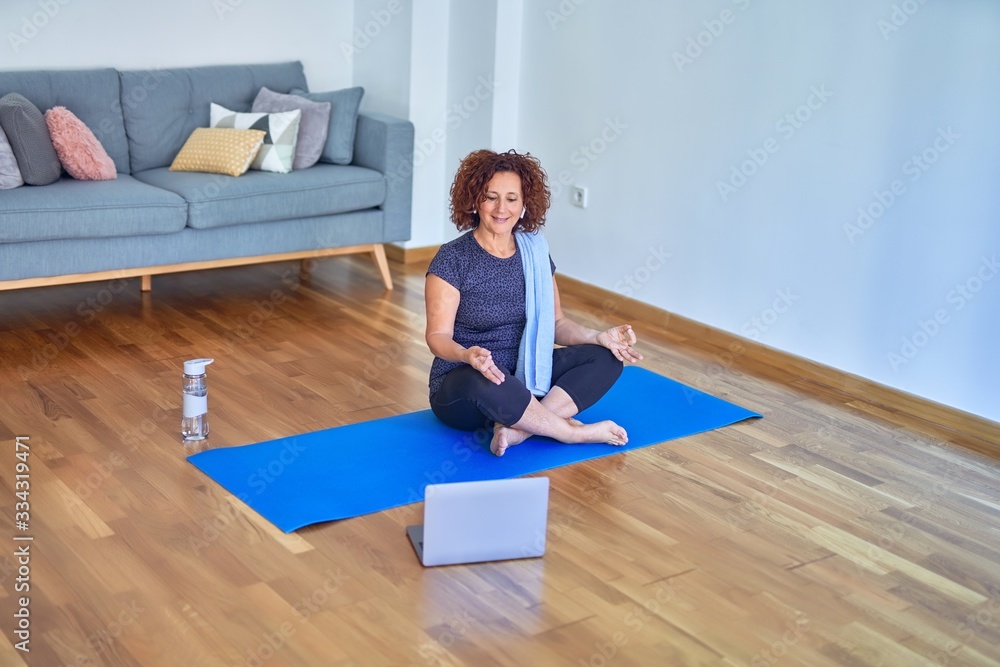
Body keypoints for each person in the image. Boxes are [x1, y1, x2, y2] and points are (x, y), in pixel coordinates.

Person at [424, 149, 643, 456]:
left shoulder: (535, 253)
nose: (502, 208)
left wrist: (598, 337)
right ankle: (567, 432)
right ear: (475, 200)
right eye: (491, 197)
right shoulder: (453, 258)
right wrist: (467, 354)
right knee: (489, 380)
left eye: (512, 199)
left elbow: (556, 324)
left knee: (605, 357)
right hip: (466, 384)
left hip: (527, 373)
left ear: (525, 203)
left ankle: (519, 430)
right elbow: (437, 337)